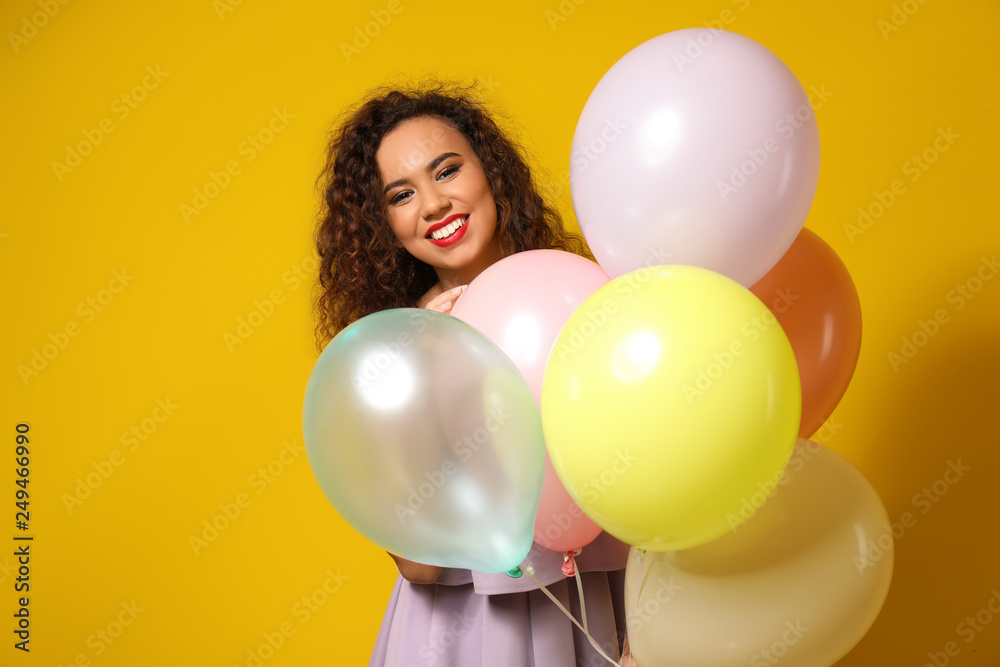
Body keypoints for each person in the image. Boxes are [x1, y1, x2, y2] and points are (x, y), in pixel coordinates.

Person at [313, 80, 637, 666]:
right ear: (382, 223)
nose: (433, 205)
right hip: (468, 635)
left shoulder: (585, 294)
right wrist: (423, 374)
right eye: (400, 194)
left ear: (490, 171)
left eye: (446, 171)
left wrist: (660, 627)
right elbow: (418, 564)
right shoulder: (393, 355)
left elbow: (656, 471)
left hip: (605, 604)